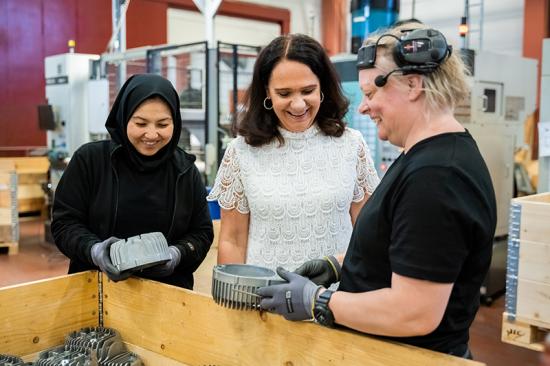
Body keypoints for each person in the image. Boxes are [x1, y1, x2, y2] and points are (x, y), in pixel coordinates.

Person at [257, 23, 497, 359]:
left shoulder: (437, 177)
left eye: (370, 94)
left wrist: (319, 301)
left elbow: (413, 311)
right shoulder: (422, 157)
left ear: (413, 84)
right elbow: (402, 248)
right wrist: (338, 265)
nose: (363, 109)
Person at [207, 34, 380, 271]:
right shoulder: (242, 152)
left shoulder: (351, 145)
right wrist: (232, 301)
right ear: (267, 92)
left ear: (322, 87)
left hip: (338, 298)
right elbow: (232, 240)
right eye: (285, 94)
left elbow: (368, 233)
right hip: (263, 298)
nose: (298, 105)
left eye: (308, 90)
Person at [52, 74, 213, 289]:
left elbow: (201, 232)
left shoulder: (185, 170)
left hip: (168, 295)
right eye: (141, 123)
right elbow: (65, 223)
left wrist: (177, 254)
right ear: (124, 117)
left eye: (163, 124)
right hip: (96, 291)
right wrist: (95, 251)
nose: (152, 134)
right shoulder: (90, 161)